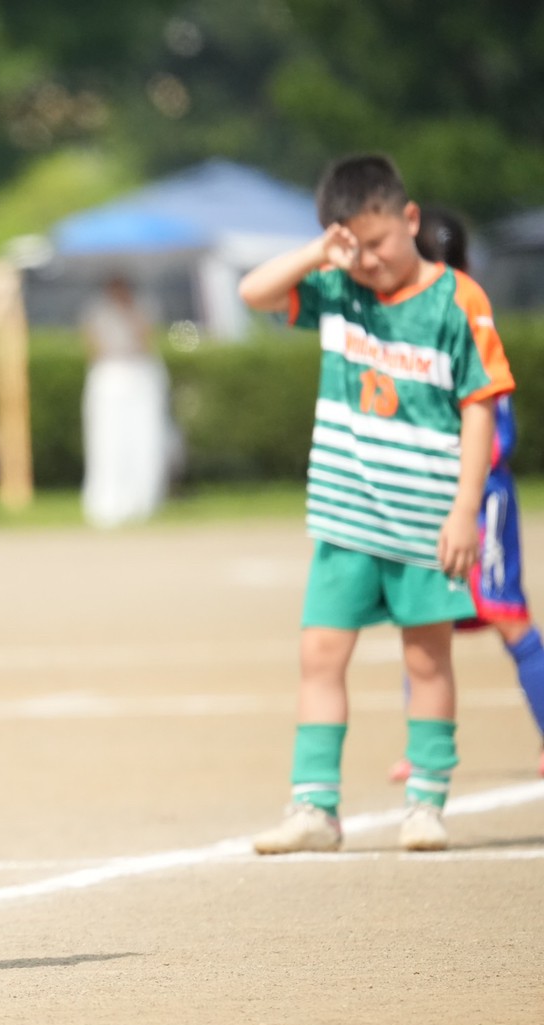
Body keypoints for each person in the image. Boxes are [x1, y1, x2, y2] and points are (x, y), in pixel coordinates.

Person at [238, 155, 514, 854]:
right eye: (351, 245)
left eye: (379, 241)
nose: (367, 260)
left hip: (428, 521)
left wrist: (465, 510)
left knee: (427, 661)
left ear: (411, 219)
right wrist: (317, 251)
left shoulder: (459, 300)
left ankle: (425, 802)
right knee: (321, 655)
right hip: (346, 517)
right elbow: (254, 293)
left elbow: (480, 407)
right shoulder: (337, 289)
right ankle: (314, 807)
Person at [385, 206, 544, 781]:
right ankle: (423, 745)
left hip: (484, 493)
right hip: (433, 491)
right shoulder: (424, 311)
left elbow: (495, 421)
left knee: (506, 615)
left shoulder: (465, 310)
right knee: (425, 620)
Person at [79, 274, 174, 528]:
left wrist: (131, 313)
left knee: (144, 438)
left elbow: (146, 339)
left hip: (139, 374)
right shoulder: (96, 311)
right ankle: (108, 500)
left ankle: (143, 499)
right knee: (108, 439)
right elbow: (93, 346)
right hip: (110, 375)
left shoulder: (144, 306)